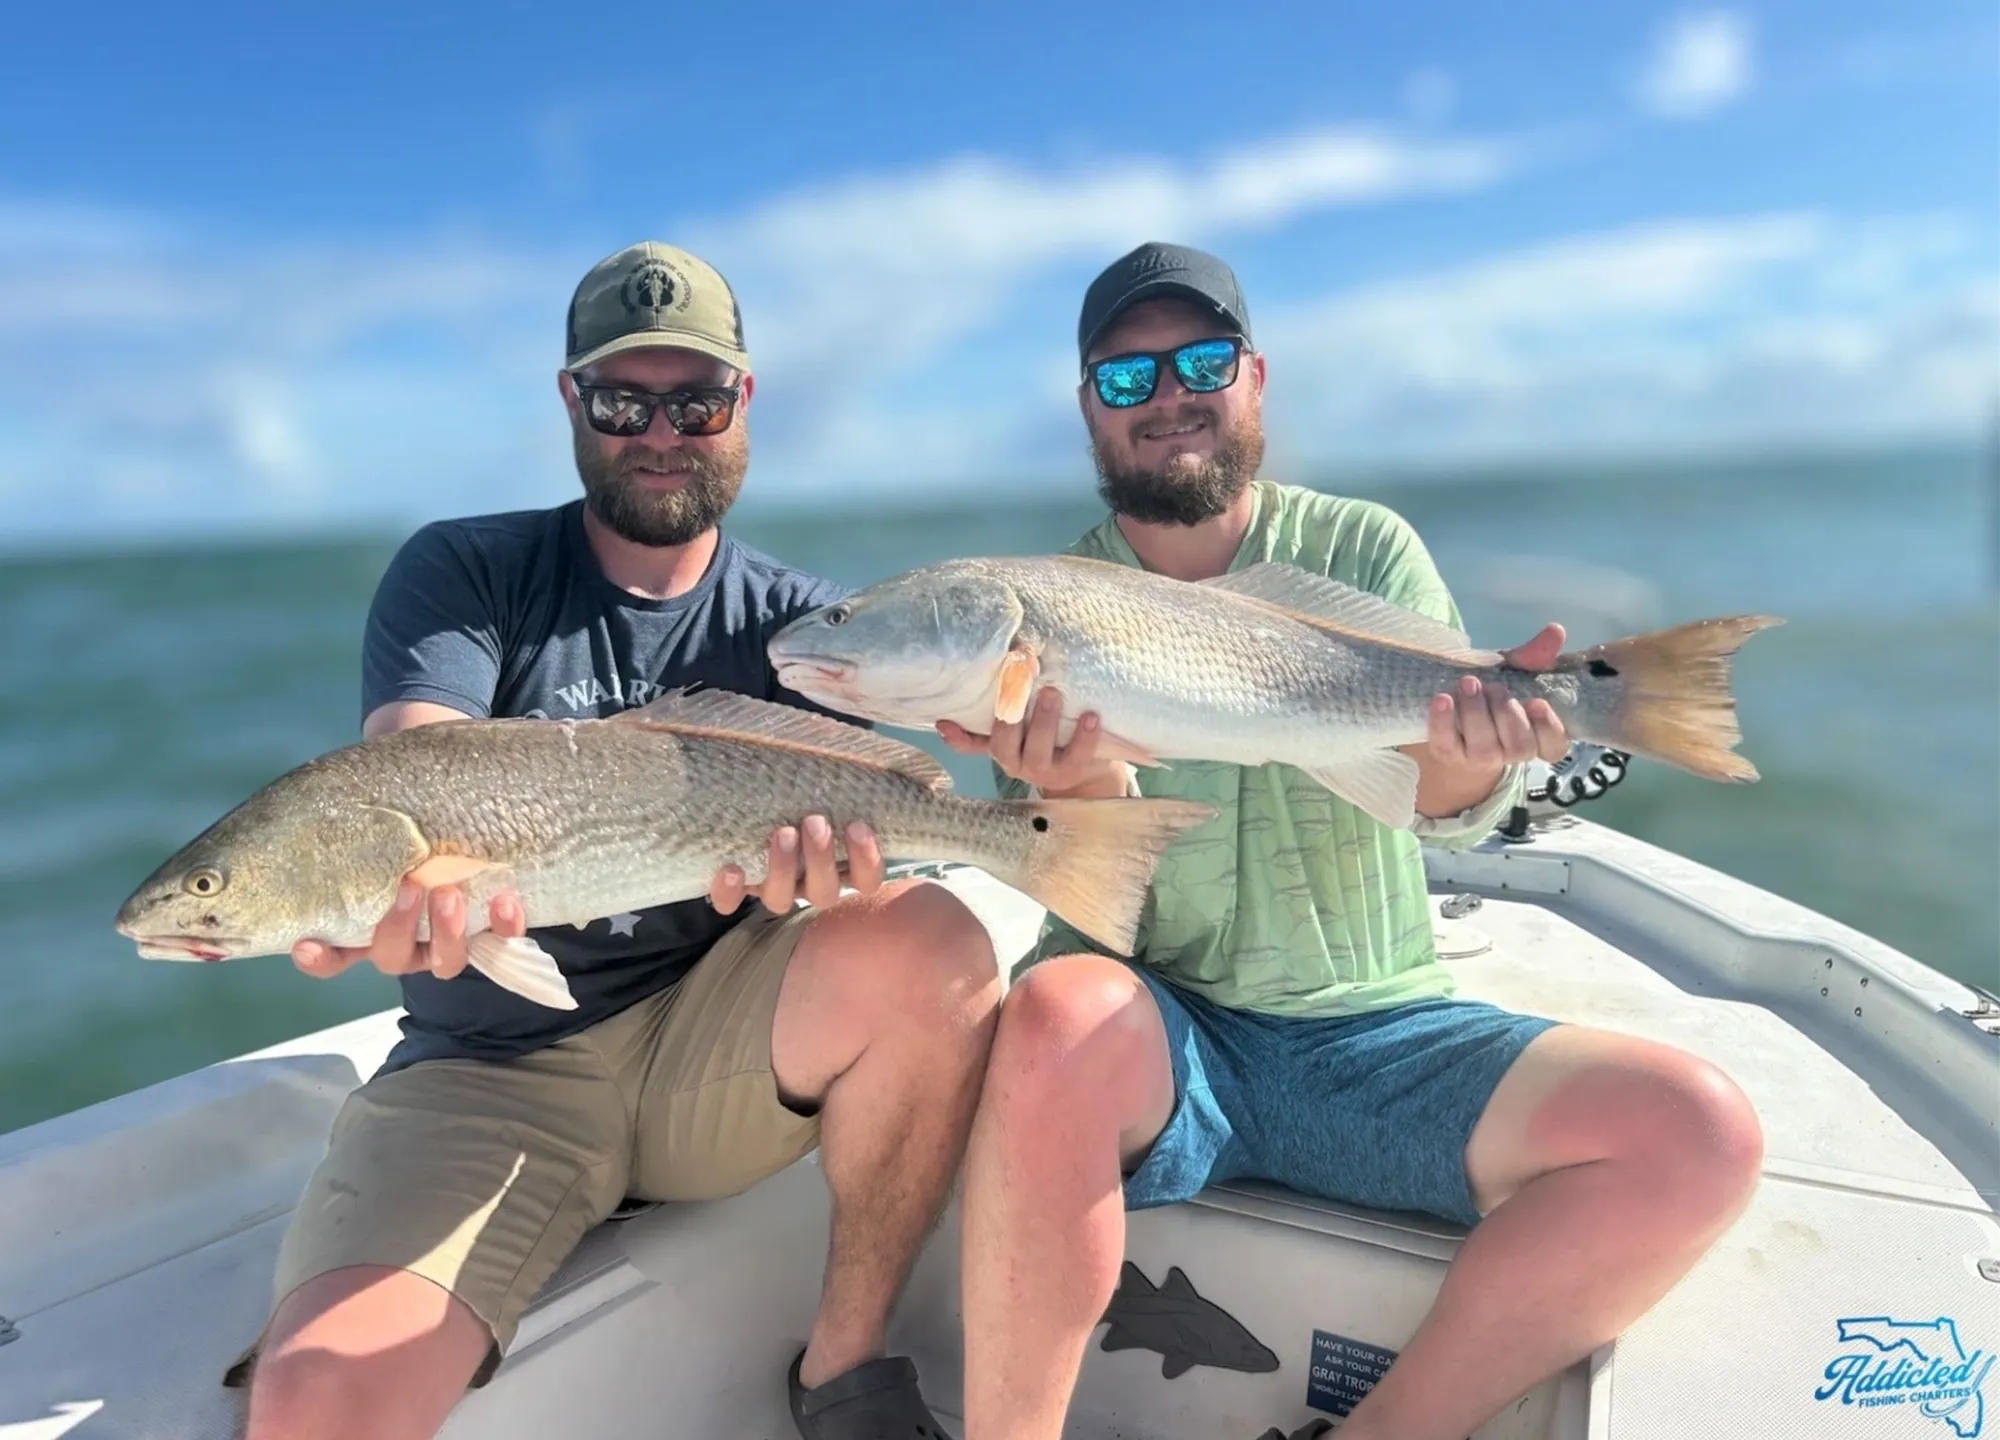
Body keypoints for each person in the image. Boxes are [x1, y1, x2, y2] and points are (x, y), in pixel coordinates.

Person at [940, 242, 1766, 1440]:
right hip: (1161, 1039)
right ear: (1088, 409)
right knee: (1056, 1011)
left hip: (1378, 1031)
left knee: (1699, 1133)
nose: (1168, 396)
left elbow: (1437, 805)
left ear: (1254, 379)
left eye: (1200, 361)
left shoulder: (1364, 548)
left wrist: (1471, 754)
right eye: (1127, 378)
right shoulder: (1041, 602)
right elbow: (1079, 869)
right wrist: (1078, 791)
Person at [227, 241, 997, 1440]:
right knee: (317, 1399)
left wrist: (844, 874)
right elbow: (417, 759)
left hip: (713, 1051)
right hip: (491, 1074)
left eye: (694, 400)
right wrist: (386, 887)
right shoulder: (466, 569)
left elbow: (919, 769)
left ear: (742, 404)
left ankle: (843, 1368)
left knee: (935, 940)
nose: (660, 431)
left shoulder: (809, 627)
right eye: (622, 399)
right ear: (570, 403)